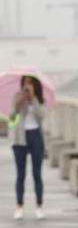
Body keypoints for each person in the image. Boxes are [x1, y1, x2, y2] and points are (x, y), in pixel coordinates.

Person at [10, 75, 47, 220]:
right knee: (20, 174)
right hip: (20, 138)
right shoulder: (17, 97)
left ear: (35, 85)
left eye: (31, 83)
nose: (27, 86)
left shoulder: (39, 99)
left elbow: (42, 116)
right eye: (25, 83)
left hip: (36, 136)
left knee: (37, 174)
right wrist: (20, 102)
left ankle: (39, 205)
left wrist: (33, 99)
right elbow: (12, 118)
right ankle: (19, 206)